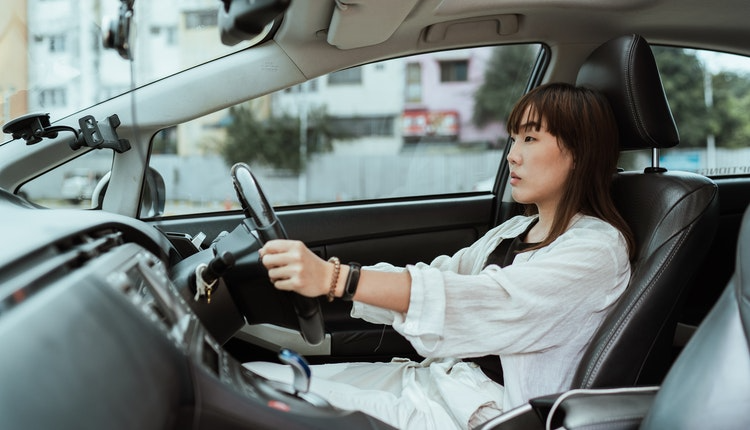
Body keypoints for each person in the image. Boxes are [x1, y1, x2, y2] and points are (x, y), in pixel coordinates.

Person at [248, 82, 635, 430]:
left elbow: (477, 301)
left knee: (255, 403)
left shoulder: (596, 251)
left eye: (530, 139)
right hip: (438, 381)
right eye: (513, 139)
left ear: (578, 153)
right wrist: (332, 285)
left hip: (478, 412)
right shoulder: (516, 229)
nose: (512, 156)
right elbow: (443, 275)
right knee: (252, 377)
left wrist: (336, 279)